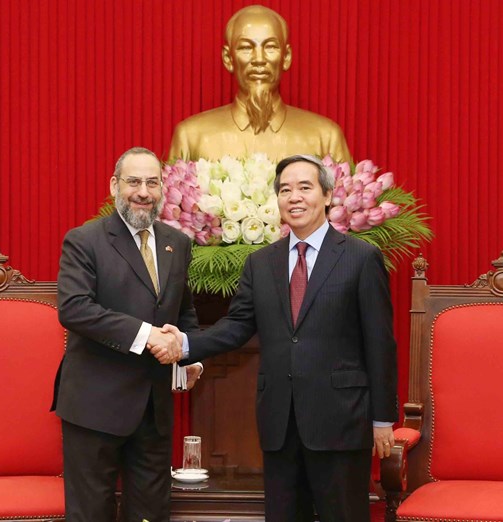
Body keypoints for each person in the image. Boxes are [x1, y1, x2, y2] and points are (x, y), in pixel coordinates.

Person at [158, 155, 398, 521]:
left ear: (328, 196)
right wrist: (186, 344)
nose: (294, 197)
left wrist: (383, 419)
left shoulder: (361, 258)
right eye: (285, 190)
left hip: (341, 421)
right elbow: (237, 325)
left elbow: (380, 343)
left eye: (305, 187)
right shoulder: (261, 263)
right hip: (279, 422)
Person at [51, 147, 201, 522]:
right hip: (94, 406)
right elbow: (75, 309)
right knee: (91, 514)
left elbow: (185, 312)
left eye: (152, 182)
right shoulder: (85, 240)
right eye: (134, 181)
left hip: (153, 408)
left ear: (163, 188)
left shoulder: (177, 243)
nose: (143, 192)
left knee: (151, 513)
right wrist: (146, 335)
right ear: (115, 185)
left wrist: (190, 357)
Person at [169, 5, 352, 163]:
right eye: (246, 48)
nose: (259, 59)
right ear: (228, 58)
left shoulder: (325, 138)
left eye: (270, 47)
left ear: (286, 57)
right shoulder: (191, 137)